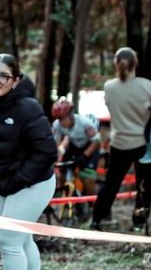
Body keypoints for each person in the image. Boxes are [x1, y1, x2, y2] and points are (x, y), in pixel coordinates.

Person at [0, 54, 57, 270]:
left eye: (3, 75)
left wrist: (19, 178)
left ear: (15, 80)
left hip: (35, 183)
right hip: (2, 183)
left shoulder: (28, 108)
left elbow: (47, 151)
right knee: (22, 237)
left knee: (9, 238)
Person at [90, 47, 151, 232]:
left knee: (111, 185)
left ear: (116, 64)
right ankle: (139, 223)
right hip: (143, 144)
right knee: (144, 184)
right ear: (136, 63)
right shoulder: (147, 86)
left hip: (119, 144)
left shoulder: (109, 86)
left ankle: (96, 221)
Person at [50, 98, 100, 197]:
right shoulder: (57, 125)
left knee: (87, 178)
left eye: (63, 120)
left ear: (70, 116)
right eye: (59, 120)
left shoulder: (84, 123)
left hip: (90, 147)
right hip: (74, 146)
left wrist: (85, 155)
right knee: (62, 170)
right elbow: (54, 144)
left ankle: (93, 205)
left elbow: (96, 141)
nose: (61, 124)